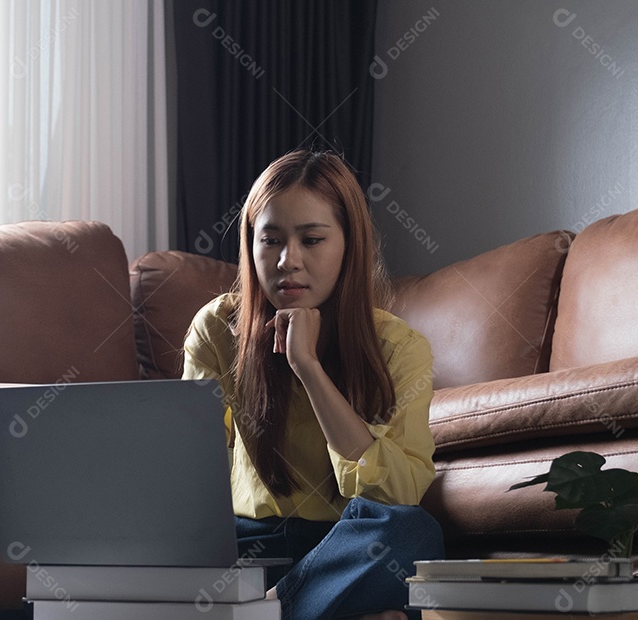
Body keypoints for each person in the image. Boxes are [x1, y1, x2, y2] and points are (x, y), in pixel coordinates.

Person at [182, 149, 444, 620]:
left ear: (349, 245)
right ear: (251, 245)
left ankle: (274, 609)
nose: (288, 261)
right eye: (271, 240)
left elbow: (398, 494)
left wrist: (308, 366)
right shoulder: (218, 328)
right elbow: (186, 472)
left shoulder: (400, 347)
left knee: (413, 533)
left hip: (344, 545)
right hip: (249, 544)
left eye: (312, 239)